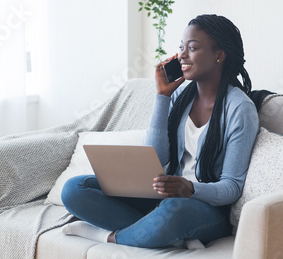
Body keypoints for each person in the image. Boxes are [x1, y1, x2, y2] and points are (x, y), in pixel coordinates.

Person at [60, 14, 259, 248]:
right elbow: (156, 157)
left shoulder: (239, 109)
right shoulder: (178, 96)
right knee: (74, 189)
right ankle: (164, 233)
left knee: (174, 209)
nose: (182, 55)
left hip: (204, 208)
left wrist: (190, 188)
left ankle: (108, 236)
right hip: (164, 197)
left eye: (192, 48)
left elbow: (232, 187)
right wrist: (162, 96)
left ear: (219, 55)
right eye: (181, 47)